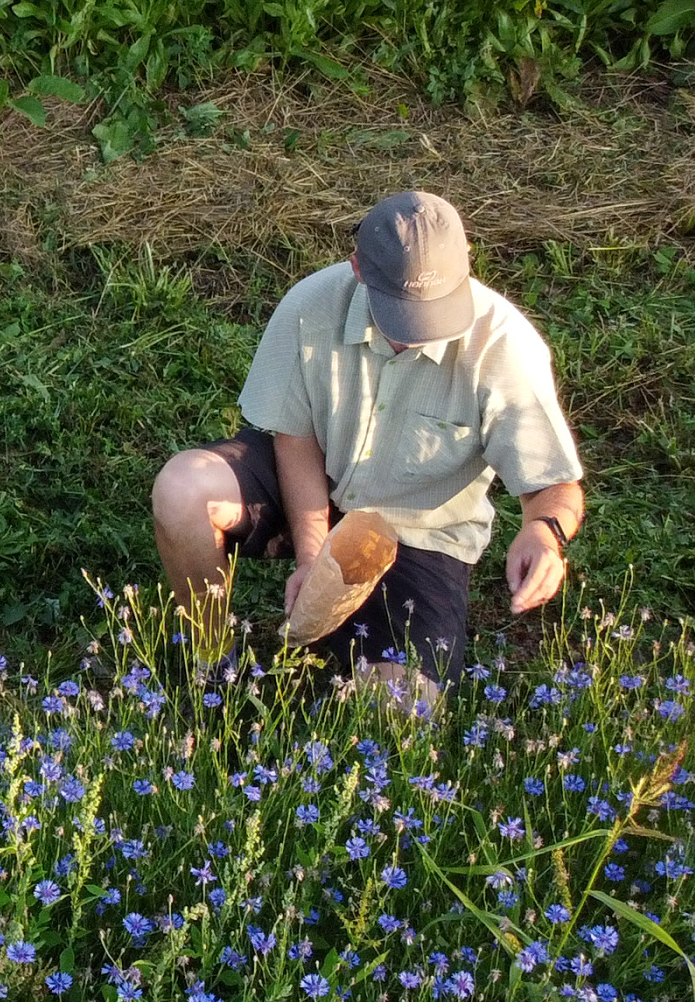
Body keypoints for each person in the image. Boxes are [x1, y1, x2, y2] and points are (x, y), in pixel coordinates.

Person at [151, 189, 585, 697]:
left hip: (417, 536)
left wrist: (545, 531)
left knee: (403, 713)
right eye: (400, 316)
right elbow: (296, 439)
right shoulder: (311, 304)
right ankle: (212, 660)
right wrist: (314, 559)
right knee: (183, 488)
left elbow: (556, 486)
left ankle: (356, 656)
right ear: (359, 270)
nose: (417, 337)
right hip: (317, 482)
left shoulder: (506, 344)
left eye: (434, 314)